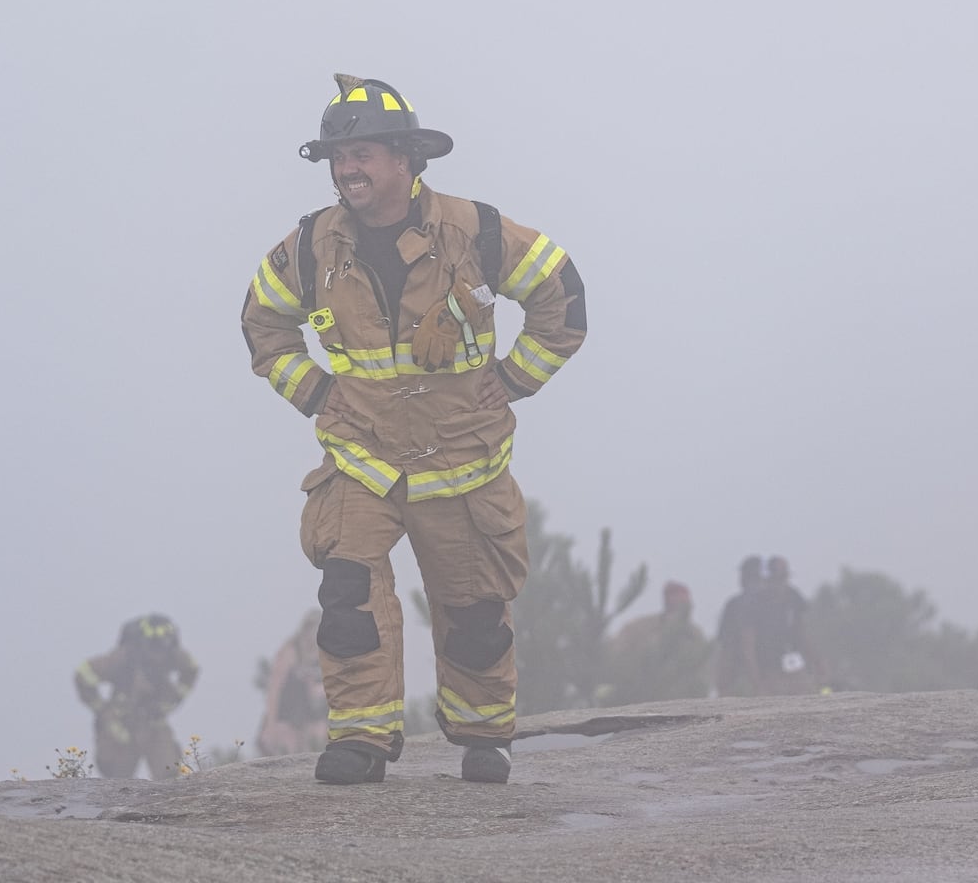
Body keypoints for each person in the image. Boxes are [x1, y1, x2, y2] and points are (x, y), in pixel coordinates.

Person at [242, 74, 587, 785]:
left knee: (475, 615)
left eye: (362, 153)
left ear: (406, 159)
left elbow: (563, 297)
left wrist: (518, 377)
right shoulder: (312, 245)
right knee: (347, 598)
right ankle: (362, 738)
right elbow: (262, 324)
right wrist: (312, 391)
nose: (347, 169)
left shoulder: (478, 231)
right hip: (360, 461)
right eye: (337, 158)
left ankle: (482, 736)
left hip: (462, 463)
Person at [74, 614, 200, 779]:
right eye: (156, 646)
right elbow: (83, 674)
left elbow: (192, 669)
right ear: (144, 643)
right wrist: (102, 710)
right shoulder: (123, 657)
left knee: (169, 771)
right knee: (116, 780)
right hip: (122, 725)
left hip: (154, 722)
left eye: (166, 645)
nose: (161, 652)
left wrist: (170, 701)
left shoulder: (172, 654)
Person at [603, 582, 711, 704]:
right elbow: (620, 653)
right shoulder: (641, 628)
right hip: (644, 695)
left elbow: (704, 668)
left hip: (684, 698)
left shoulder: (695, 635)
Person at [744, 556, 829, 695]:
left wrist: (818, 661)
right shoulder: (754, 604)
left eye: (783, 578)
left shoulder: (792, 597)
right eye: (777, 578)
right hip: (768, 670)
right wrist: (756, 682)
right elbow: (748, 645)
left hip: (793, 666)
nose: (780, 583)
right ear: (767, 579)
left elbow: (802, 633)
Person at [254, 610, 328, 757]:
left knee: (317, 742)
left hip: (312, 714)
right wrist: (270, 724)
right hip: (286, 714)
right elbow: (274, 689)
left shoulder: (324, 652)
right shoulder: (290, 651)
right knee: (288, 751)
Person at [714, 556, 764, 696]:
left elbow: (729, 650)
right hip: (746, 676)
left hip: (749, 676)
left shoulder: (737, 604)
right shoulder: (737, 604)